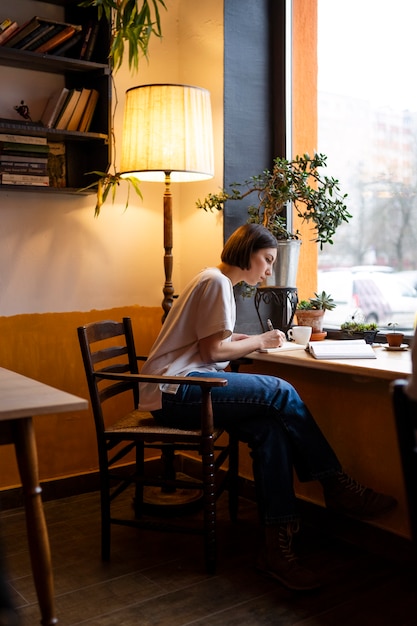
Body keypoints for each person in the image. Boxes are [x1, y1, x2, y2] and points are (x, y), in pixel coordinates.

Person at [139, 223, 397, 591]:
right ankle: (335, 484)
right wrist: (259, 339)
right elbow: (212, 352)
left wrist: (242, 339)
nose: (269, 270)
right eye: (267, 259)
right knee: (280, 390)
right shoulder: (215, 283)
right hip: (175, 391)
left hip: (185, 387)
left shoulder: (213, 281)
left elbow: (209, 342)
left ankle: (276, 549)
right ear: (248, 253)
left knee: (271, 431)